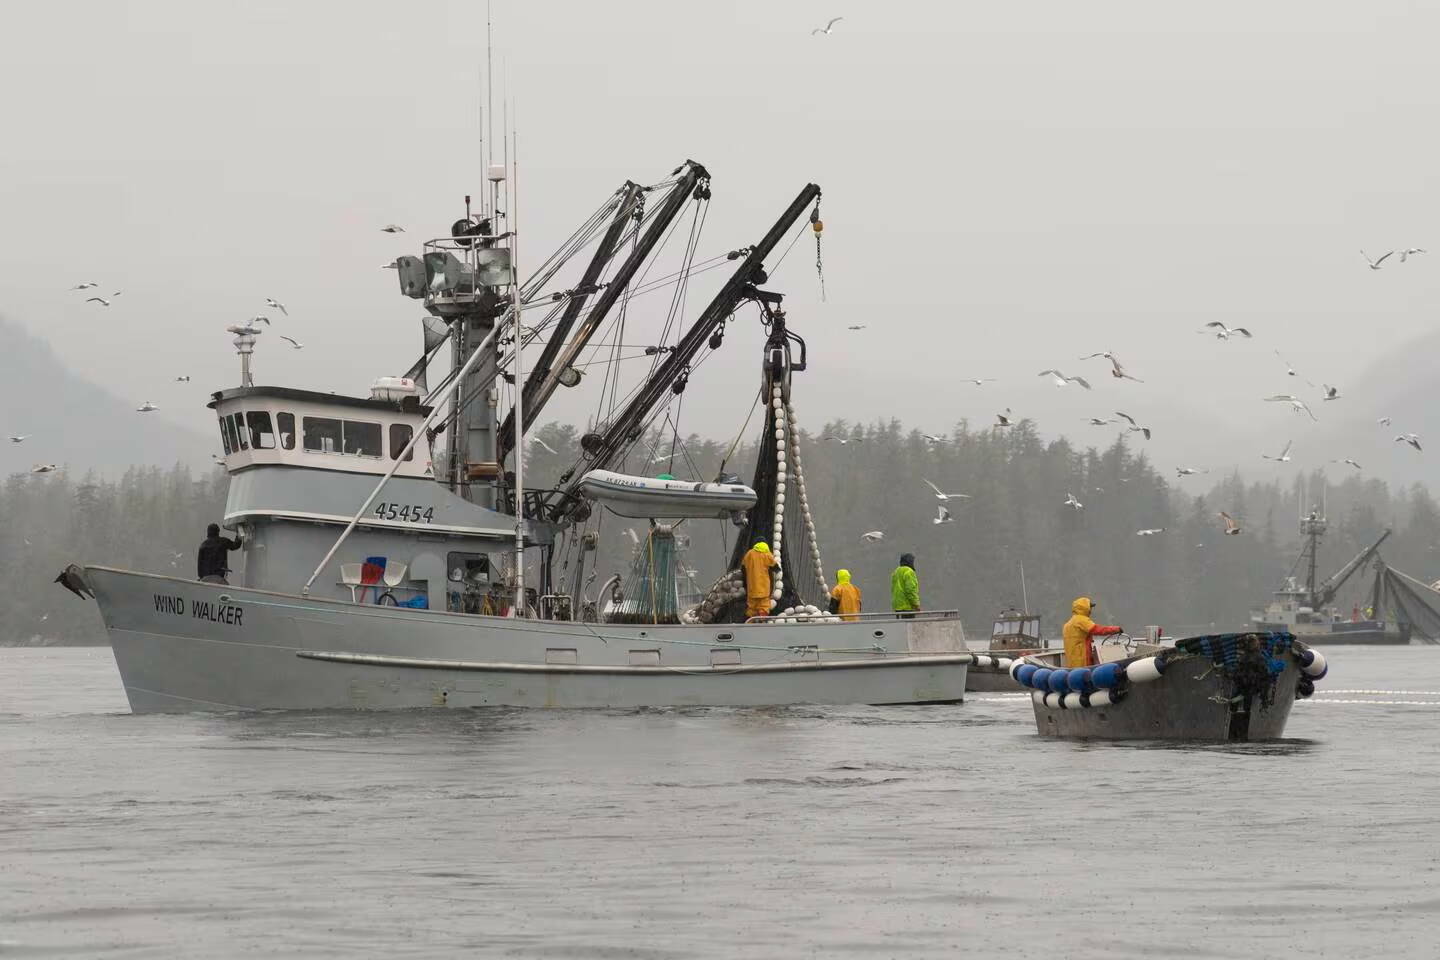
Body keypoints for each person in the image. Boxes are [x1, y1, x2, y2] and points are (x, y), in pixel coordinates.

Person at [1062, 596, 1123, 668]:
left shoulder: (1068, 623)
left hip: (1072, 660)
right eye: (1090, 607)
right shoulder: (1081, 620)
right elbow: (1098, 630)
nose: (1091, 609)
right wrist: (1116, 629)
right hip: (1082, 658)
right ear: (1085, 608)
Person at [741, 541, 778, 619]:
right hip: (763, 589)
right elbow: (776, 568)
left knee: (751, 608)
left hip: (751, 589)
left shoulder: (749, 554)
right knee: (764, 607)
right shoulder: (767, 554)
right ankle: (761, 622)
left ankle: (749, 624)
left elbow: (743, 568)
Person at [891, 553, 920, 618]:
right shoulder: (909, 572)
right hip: (907, 607)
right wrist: (916, 604)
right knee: (909, 627)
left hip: (897, 607)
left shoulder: (896, 571)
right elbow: (910, 590)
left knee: (900, 626)